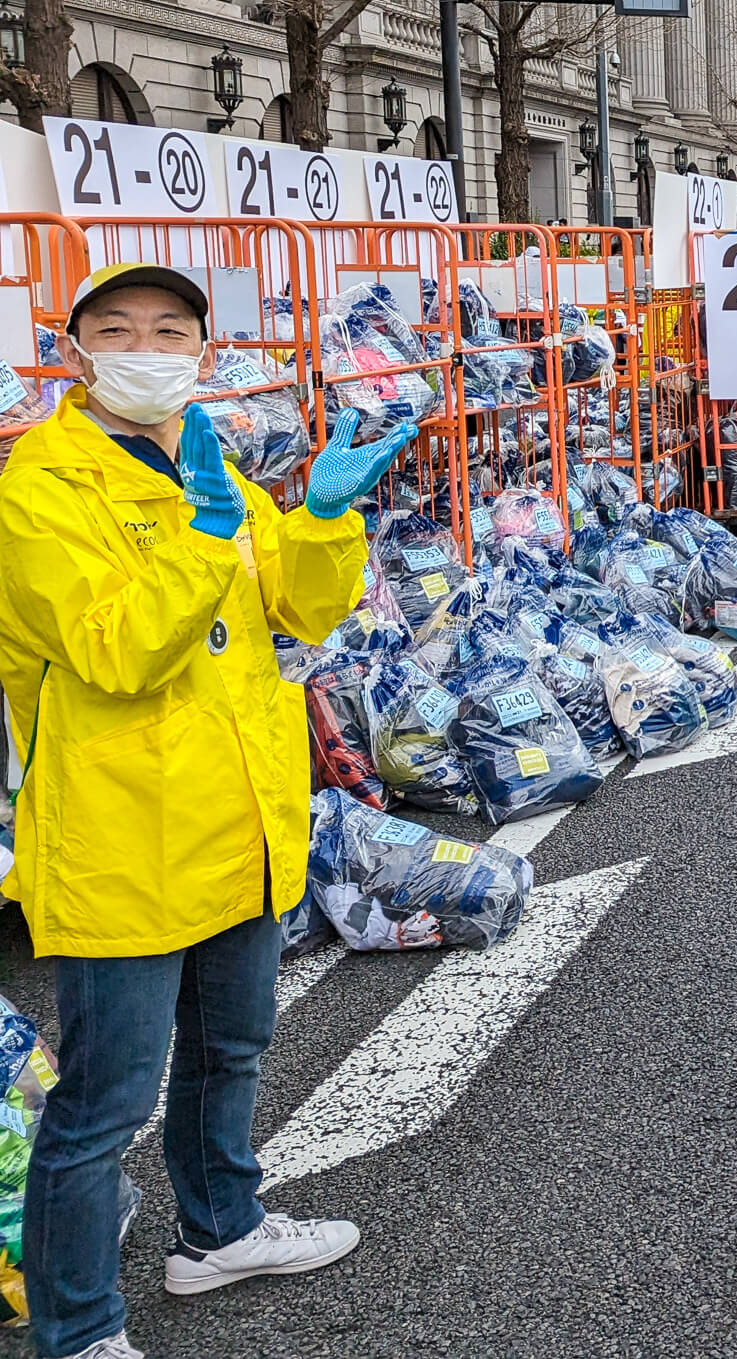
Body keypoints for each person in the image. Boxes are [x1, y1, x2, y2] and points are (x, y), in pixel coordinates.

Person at [2, 264, 418, 1359]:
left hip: (238, 815)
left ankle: (219, 1230)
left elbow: (302, 605)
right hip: (123, 833)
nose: (147, 346)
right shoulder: (42, 483)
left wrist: (325, 516)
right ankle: (79, 1330)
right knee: (102, 1106)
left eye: (171, 329)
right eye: (118, 328)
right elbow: (118, 650)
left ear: (201, 345)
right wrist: (198, 536)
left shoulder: (206, 450)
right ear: (76, 345)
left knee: (231, 1050)